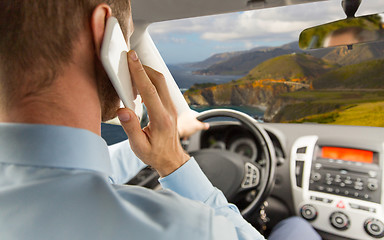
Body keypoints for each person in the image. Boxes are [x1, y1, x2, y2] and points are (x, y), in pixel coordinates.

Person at [0, 1, 321, 239]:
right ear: (102, 32)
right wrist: (175, 162)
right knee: (296, 228)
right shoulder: (188, 229)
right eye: (126, 41)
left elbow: (64, 166)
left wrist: (157, 146)